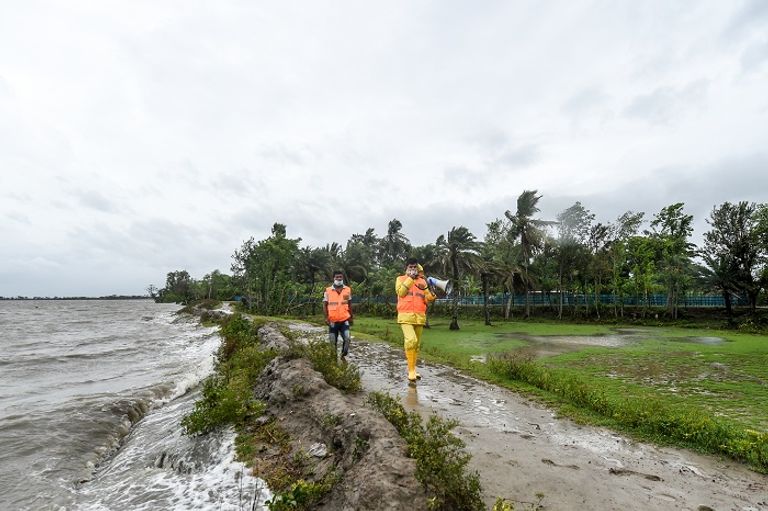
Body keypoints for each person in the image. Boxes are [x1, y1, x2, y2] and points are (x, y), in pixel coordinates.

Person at [395, 258, 436, 382]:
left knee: (416, 345)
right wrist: (410, 279)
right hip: (405, 316)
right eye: (410, 267)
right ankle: (411, 371)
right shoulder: (400, 279)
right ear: (406, 268)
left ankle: (413, 369)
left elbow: (427, 298)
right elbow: (401, 293)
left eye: (415, 267)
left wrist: (432, 292)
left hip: (419, 317)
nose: (413, 269)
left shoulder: (422, 281)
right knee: (411, 341)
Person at [323, 270, 353, 358]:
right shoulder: (328, 290)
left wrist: (351, 317)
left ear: (342, 278)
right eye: (337, 277)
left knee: (347, 339)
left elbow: (349, 304)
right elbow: (324, 305)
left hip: (344, 319)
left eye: (340, 277)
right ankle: (334, 360)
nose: (339, 278)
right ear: (333, 278)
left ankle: (343, 356)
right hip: (333, 320)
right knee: (332, 343)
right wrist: (326, 317)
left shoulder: (347, 290)